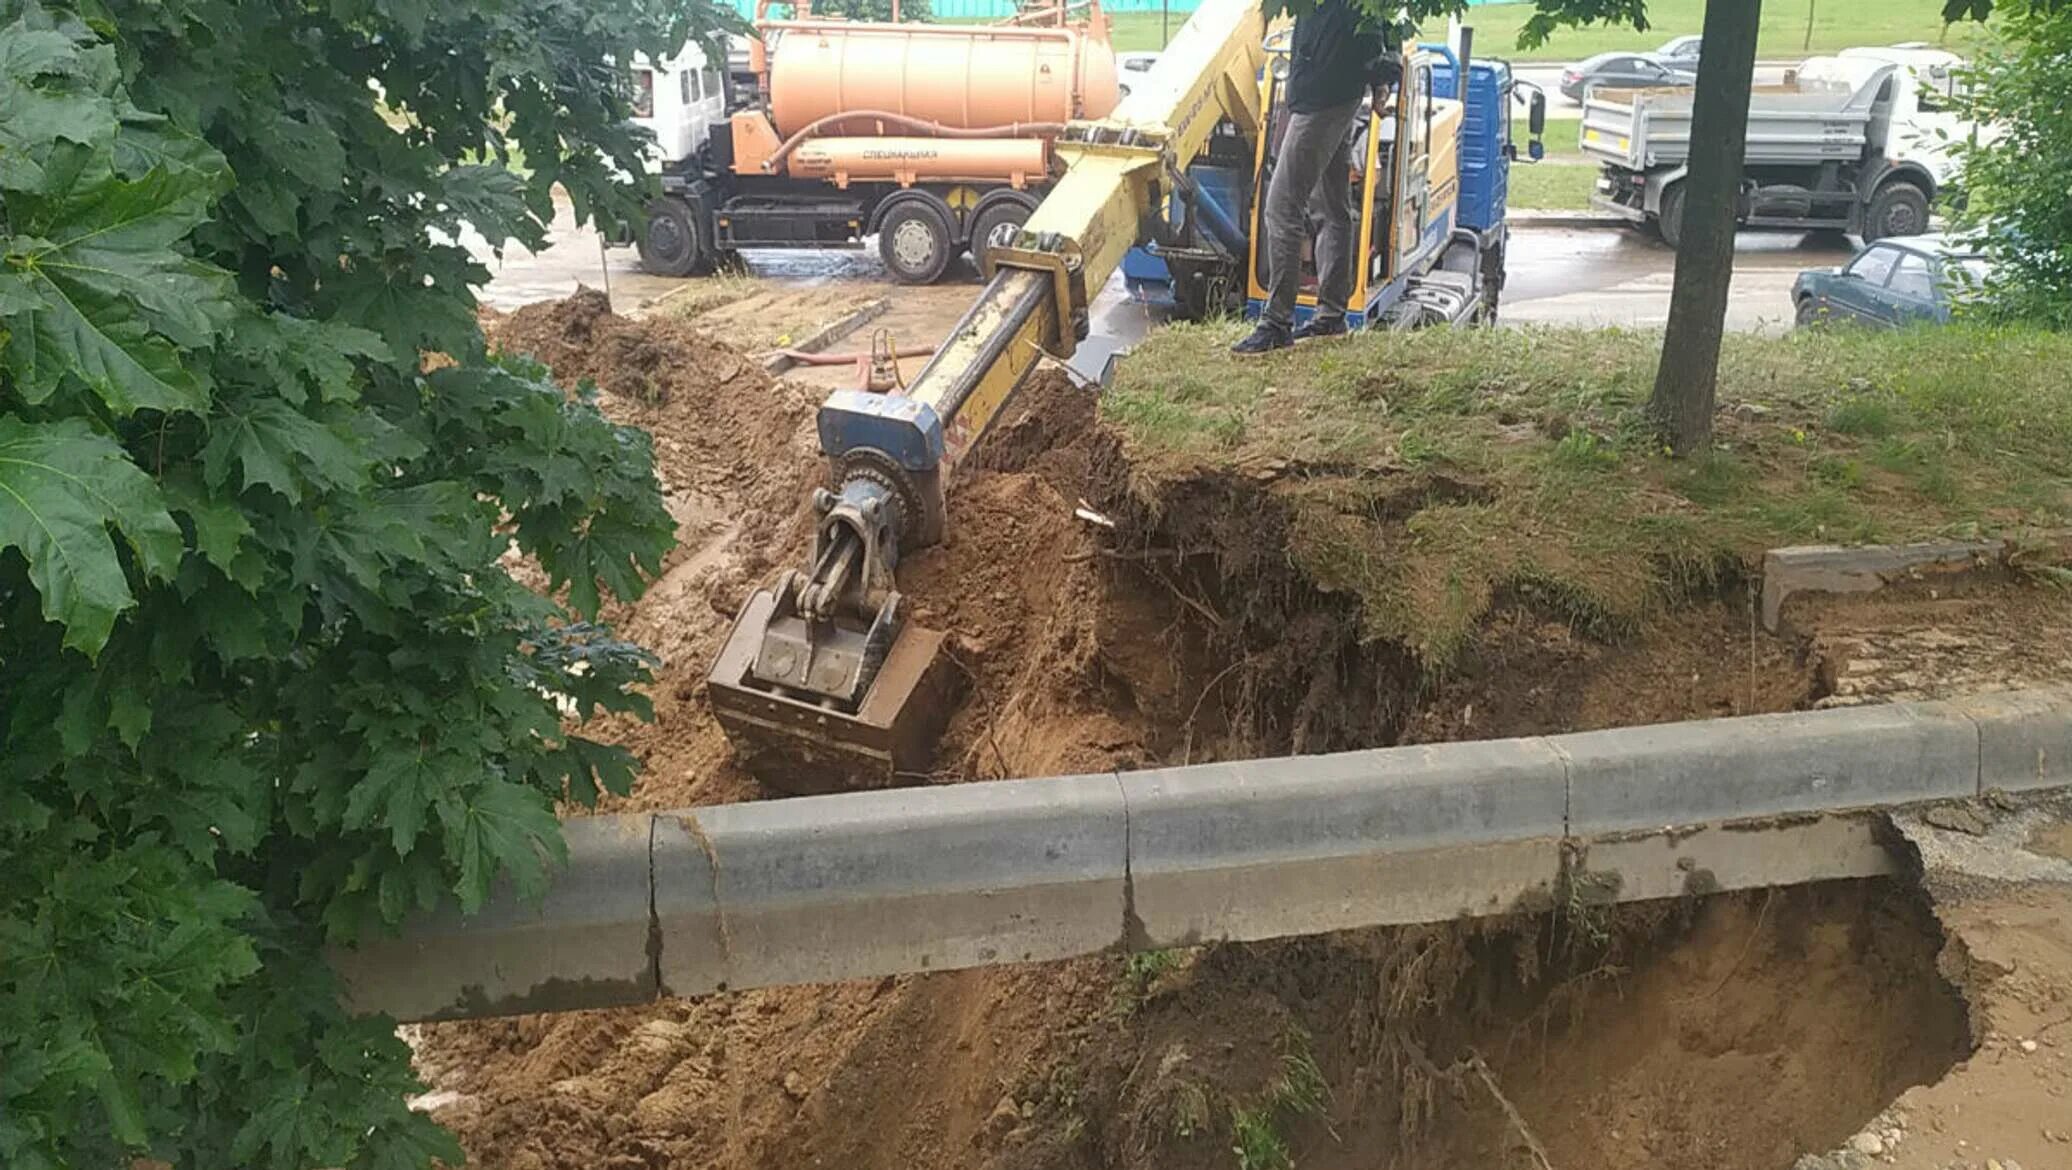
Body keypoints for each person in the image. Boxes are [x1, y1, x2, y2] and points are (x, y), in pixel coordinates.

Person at [1231, 0, 1395, 355]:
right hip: (1323, 92)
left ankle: (1276, 323)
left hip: (1325, 97)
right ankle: (1331, 316)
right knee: (1331, 206)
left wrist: (1382, 79)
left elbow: (1377, 23)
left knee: (1281, 207)